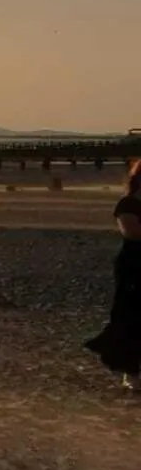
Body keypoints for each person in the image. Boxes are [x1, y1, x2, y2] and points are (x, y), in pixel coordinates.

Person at [84, 159, 141, 389]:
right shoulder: (127, 204)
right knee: (131, 316)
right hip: (135, 266)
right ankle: (131, 370)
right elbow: (134, 234)